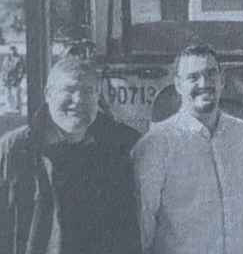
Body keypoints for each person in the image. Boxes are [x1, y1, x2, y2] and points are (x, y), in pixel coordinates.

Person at [0, 57, 142, 253]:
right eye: (69, 90)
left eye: (87, 91)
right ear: (48, 93)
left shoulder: (119, 147)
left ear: (98, 96)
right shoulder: (15, 149)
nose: (78, 100)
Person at [132, 45, 243, 254]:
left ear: (222, 80)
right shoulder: (156, 144)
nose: (204, 84)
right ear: (178, 85)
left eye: (211, 74)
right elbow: (143, 227)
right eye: (193, 77)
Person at [3, 46, 25, 114]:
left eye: (14, 51)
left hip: (16, 78)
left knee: (17, 92)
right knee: (8, 92)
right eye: (11, 51)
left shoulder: (19, 59)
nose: (12, 53)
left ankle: (18, 106)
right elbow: (4, 68)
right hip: (7, 78)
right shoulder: (7, 58)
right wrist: (4, 76)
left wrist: (19, 78)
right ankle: (12, 106)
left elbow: (22, 69)